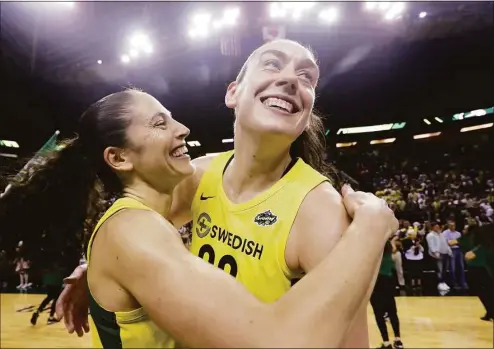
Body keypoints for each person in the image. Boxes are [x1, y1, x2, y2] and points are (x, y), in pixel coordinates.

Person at [0, 89, 397, 348]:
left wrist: (97, 268)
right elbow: (276, 341)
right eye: (160, 123)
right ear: (119, 158)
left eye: (172, 118)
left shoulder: (190, 188)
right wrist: (371, 227)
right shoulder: (133, 230)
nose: (183, 129)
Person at [58, 39, 375, 347]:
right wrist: (99, 271)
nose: (292, 79)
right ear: (233, 93)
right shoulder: (198, 174)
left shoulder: (320, 209)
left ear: (306, 112)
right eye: (272, 64)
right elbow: (133, 242)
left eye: (307, 77)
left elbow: (349, 340)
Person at [370, 241, 403, 349]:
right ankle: (398, 340)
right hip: (389, 287)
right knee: (393, 313)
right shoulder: (390, 259)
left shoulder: (375, 260)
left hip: (377, 286)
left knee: (379, 315)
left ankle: (386, 343)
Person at [30, 261, 63, 325]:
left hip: (48, 280)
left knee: (49, 297)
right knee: (56, 298)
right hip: (56, 280)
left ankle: (38, 311)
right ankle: (51, 316)